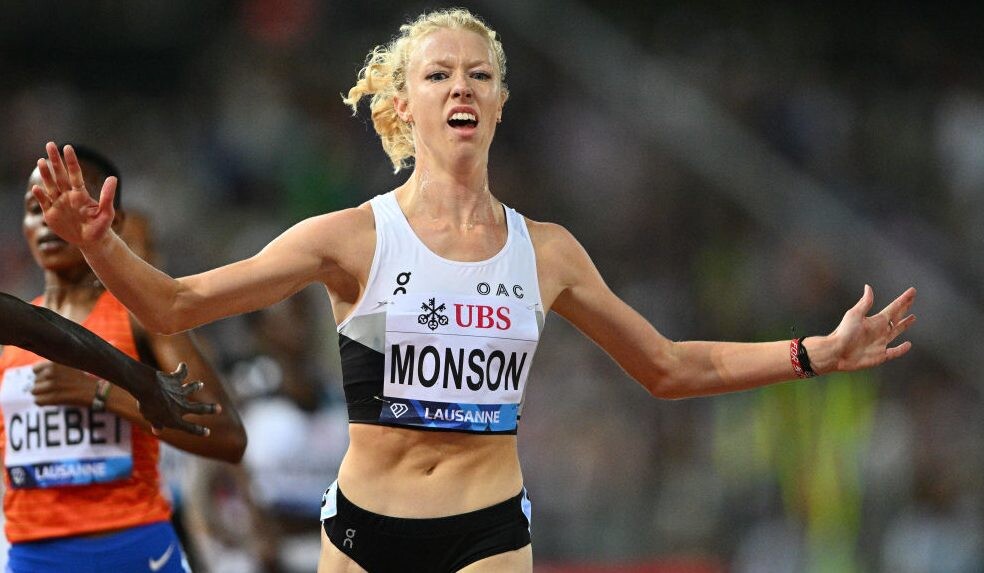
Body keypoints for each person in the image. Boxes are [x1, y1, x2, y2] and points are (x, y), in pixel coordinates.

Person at [32, 8, 917, 572]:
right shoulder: (350, 237)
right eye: (438, 73)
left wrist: (812, 353)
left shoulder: (548, 251)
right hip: (364, 532)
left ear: (497, 104)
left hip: (485, 531)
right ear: (402, 106)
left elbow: (668, 366)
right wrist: (99, 242)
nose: (461, 84)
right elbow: (175, 304)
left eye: (479, 74)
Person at [4, 146, 247, 573]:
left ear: (112, 219)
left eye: (71, 202)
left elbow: (227, 438)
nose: (48, 221)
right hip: (34, 554)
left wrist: (101, 394)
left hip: (134, 547)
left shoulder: (141, 317)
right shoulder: (11, 334)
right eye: (35, 208)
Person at [0, 291, 217, 436]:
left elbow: (222, 433)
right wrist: (142, 383)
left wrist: (102, 392)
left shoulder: (137, 318)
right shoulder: (10, 347)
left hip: (137, 491)